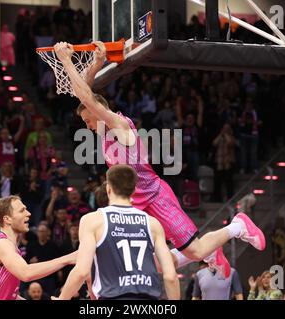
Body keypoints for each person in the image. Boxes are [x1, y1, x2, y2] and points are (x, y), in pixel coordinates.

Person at [53, 41, 266, 277]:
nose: (87, 126)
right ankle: (210, 252)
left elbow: (88, 99)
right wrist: (96, 65)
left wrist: (65, 61)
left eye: (87, 121)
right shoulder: (103, 130)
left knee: (194, 250)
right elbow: (87, 96)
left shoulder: (119, 125)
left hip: (154, 196)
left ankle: (238, 226)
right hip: (134, 204)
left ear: (98, 113)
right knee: (143, 266)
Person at [55, 165, 179, 300]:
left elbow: (82, 271)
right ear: (134, 190)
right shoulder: (152, 223)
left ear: (108, 188)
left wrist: (62, 298)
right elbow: (170, 276)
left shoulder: (92, 220)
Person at [0, 196, 76, 300]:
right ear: (7, 219)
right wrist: (68, 258)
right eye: (22, 210)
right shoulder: (2, 244)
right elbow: (26, 273)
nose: (28, 214)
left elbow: (6, 294)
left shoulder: (8, 246)